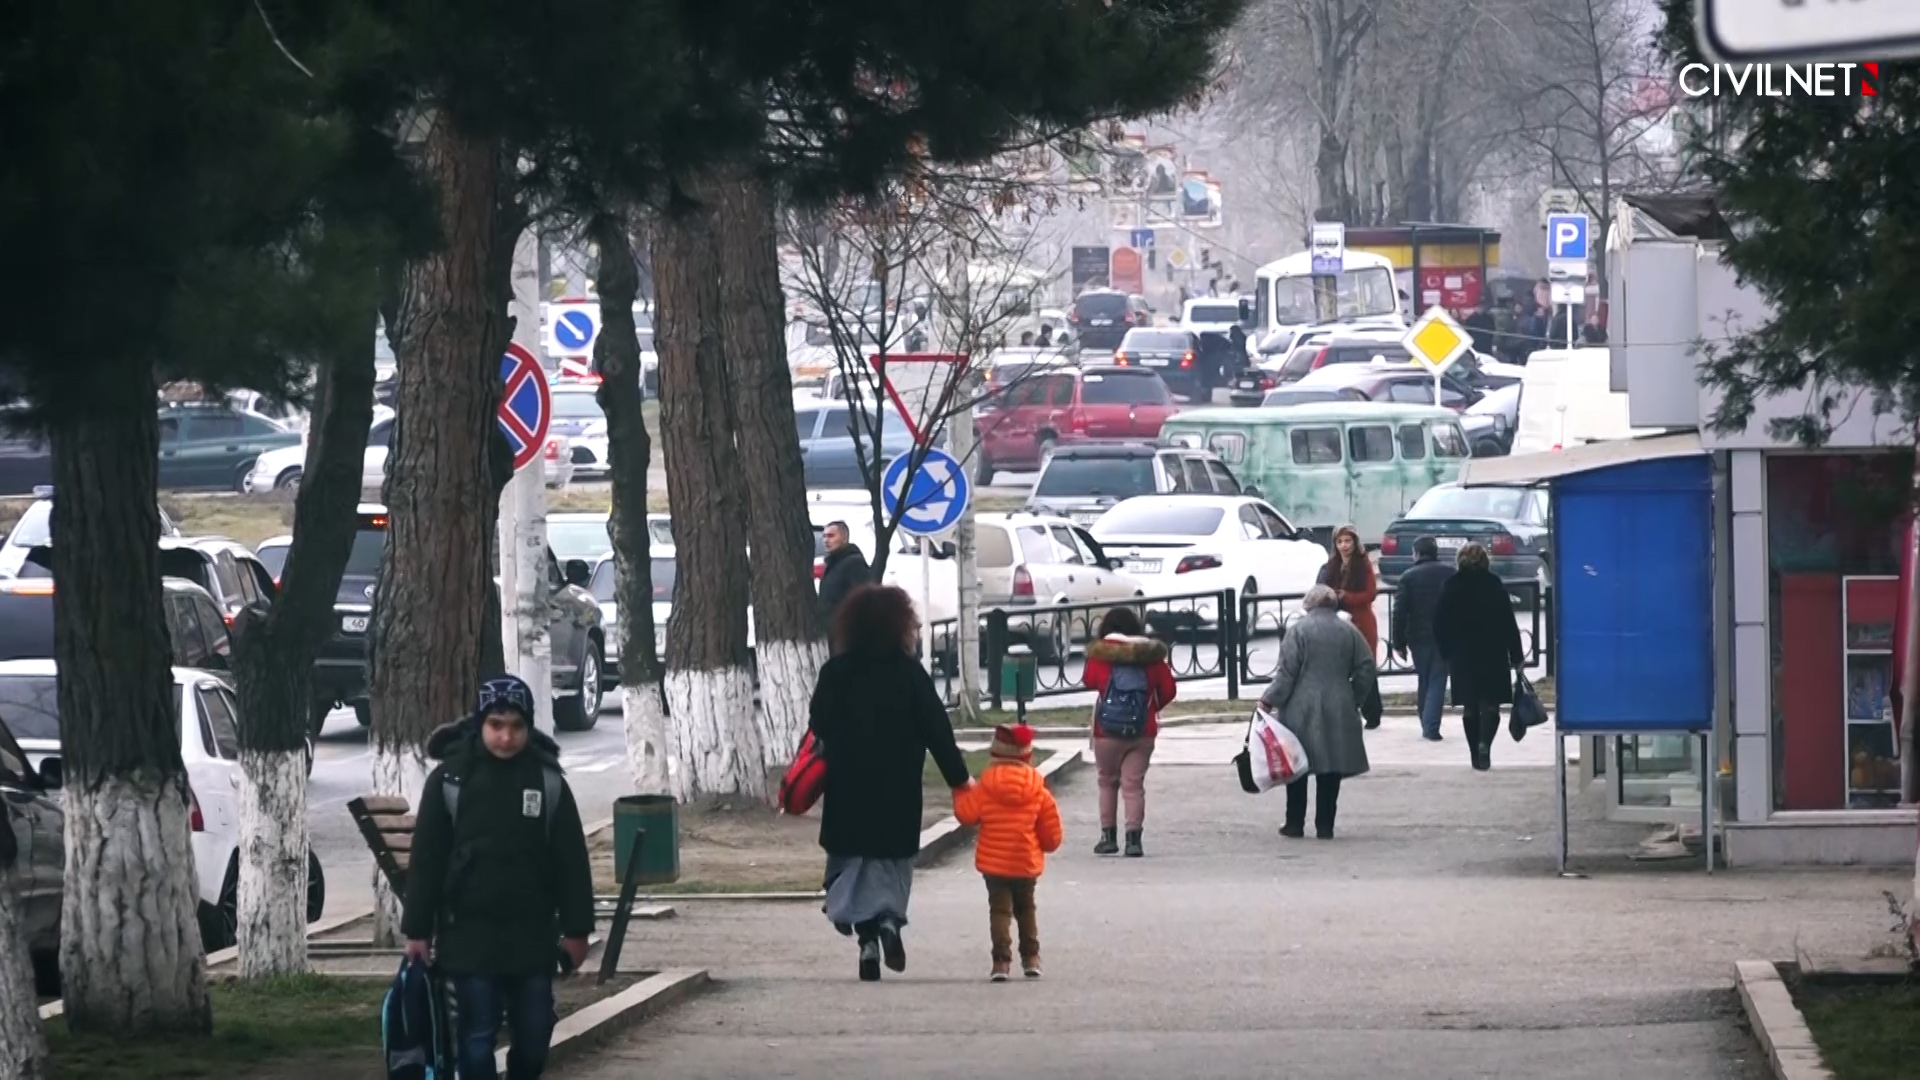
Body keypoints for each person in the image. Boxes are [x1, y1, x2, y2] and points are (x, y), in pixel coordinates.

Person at [403, 675, 594, 1080]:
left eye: (516, 727)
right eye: (496, 726)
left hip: (532, 939)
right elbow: (427, 860)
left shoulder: (548, 782)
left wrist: (577, 931)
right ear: (479, 724)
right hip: (468, 939)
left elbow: (571, 862)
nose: (506, 737)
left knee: (534, 1037)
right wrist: (417, 930)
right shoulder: (450, 781)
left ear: (529, 727)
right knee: (475, 1039)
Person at [809, 584, 972, 981]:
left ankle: (866, 942)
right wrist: (959, 778)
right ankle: (888, 923)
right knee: (892, 868)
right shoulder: (909, 674)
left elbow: (818, 724)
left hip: (847, 791)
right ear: (899, 628)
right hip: (897, 792)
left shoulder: (835, 673)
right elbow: (938, 730)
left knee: (851, 863)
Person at [1259, 586, 1377, 839]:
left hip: (1300, 706)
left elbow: (1287, 674)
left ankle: (1294, 823)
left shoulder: (1298, 631)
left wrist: (1268, 700)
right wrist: (1353, 696)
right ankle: (1325, 825)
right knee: (1331, 767)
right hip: (1340, 703)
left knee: (1297, 765)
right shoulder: (1349, 631)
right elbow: (1367, 667)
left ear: (1308, 605)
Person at [952, 723, 1063, 981]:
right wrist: (1044, 845)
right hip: (1025, 862)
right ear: (1027, 755)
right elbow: (1052, 836)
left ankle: (1001, 962)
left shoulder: (985, 788)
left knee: (999, 910)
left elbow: (967, 814)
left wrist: (958, 791)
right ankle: (1031, 958)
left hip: (994, 865)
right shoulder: (1039, 791)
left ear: (995, 754)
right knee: (1027, 909)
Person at [1081, 607, 1176, 857]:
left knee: (1107, 781)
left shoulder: (1102, 654)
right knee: (1133, 785)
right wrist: (1151, 709)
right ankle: (1134, 840)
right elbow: (1168, 690)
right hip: (1142, 731)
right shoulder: (1151, 656)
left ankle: (1108, 837)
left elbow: (1089, 680)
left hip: (1106, 731)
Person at [1432, 543, 1527, 772]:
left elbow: (1439, 623)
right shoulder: (1494, 584)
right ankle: (1486, 744)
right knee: (1491, 704)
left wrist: (1447, 652)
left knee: (1470, 707)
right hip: (1493, 653)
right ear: (1486, 560)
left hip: (1462, 655)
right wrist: (1517, 656)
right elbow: (1508, 623)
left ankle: (1475, 752)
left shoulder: (1451, 586)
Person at [1389, 536, 1456, 742]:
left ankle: (1426, 721)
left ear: (1416, 553)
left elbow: (1399, 613)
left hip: (1418, 637)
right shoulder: (1451, 573)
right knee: (1437, 677)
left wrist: (1398, 642)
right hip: (1446, 635)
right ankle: (1430, 725)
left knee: (1425, 677)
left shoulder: (1408, 577)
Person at [1317, 524, 1382, 728]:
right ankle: (1346, 710)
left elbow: (1370, 593)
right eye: (1340, 542)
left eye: (1348, 541)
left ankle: (1373, 712)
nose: (1344, 546)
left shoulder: (1363, 564)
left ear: (1355, 542)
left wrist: (1348, 597)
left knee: (1365, 666)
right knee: (1342, 667)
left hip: (1361, 621)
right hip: (1337, 621)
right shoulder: (1331, 566)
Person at [817, 521, 870, 626]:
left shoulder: (854, 563)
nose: (826, 540)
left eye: (831, 536)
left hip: (847, 628)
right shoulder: (833, 563)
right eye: (824, 536)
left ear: (844, 538)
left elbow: (862, 600)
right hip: (834, 627)